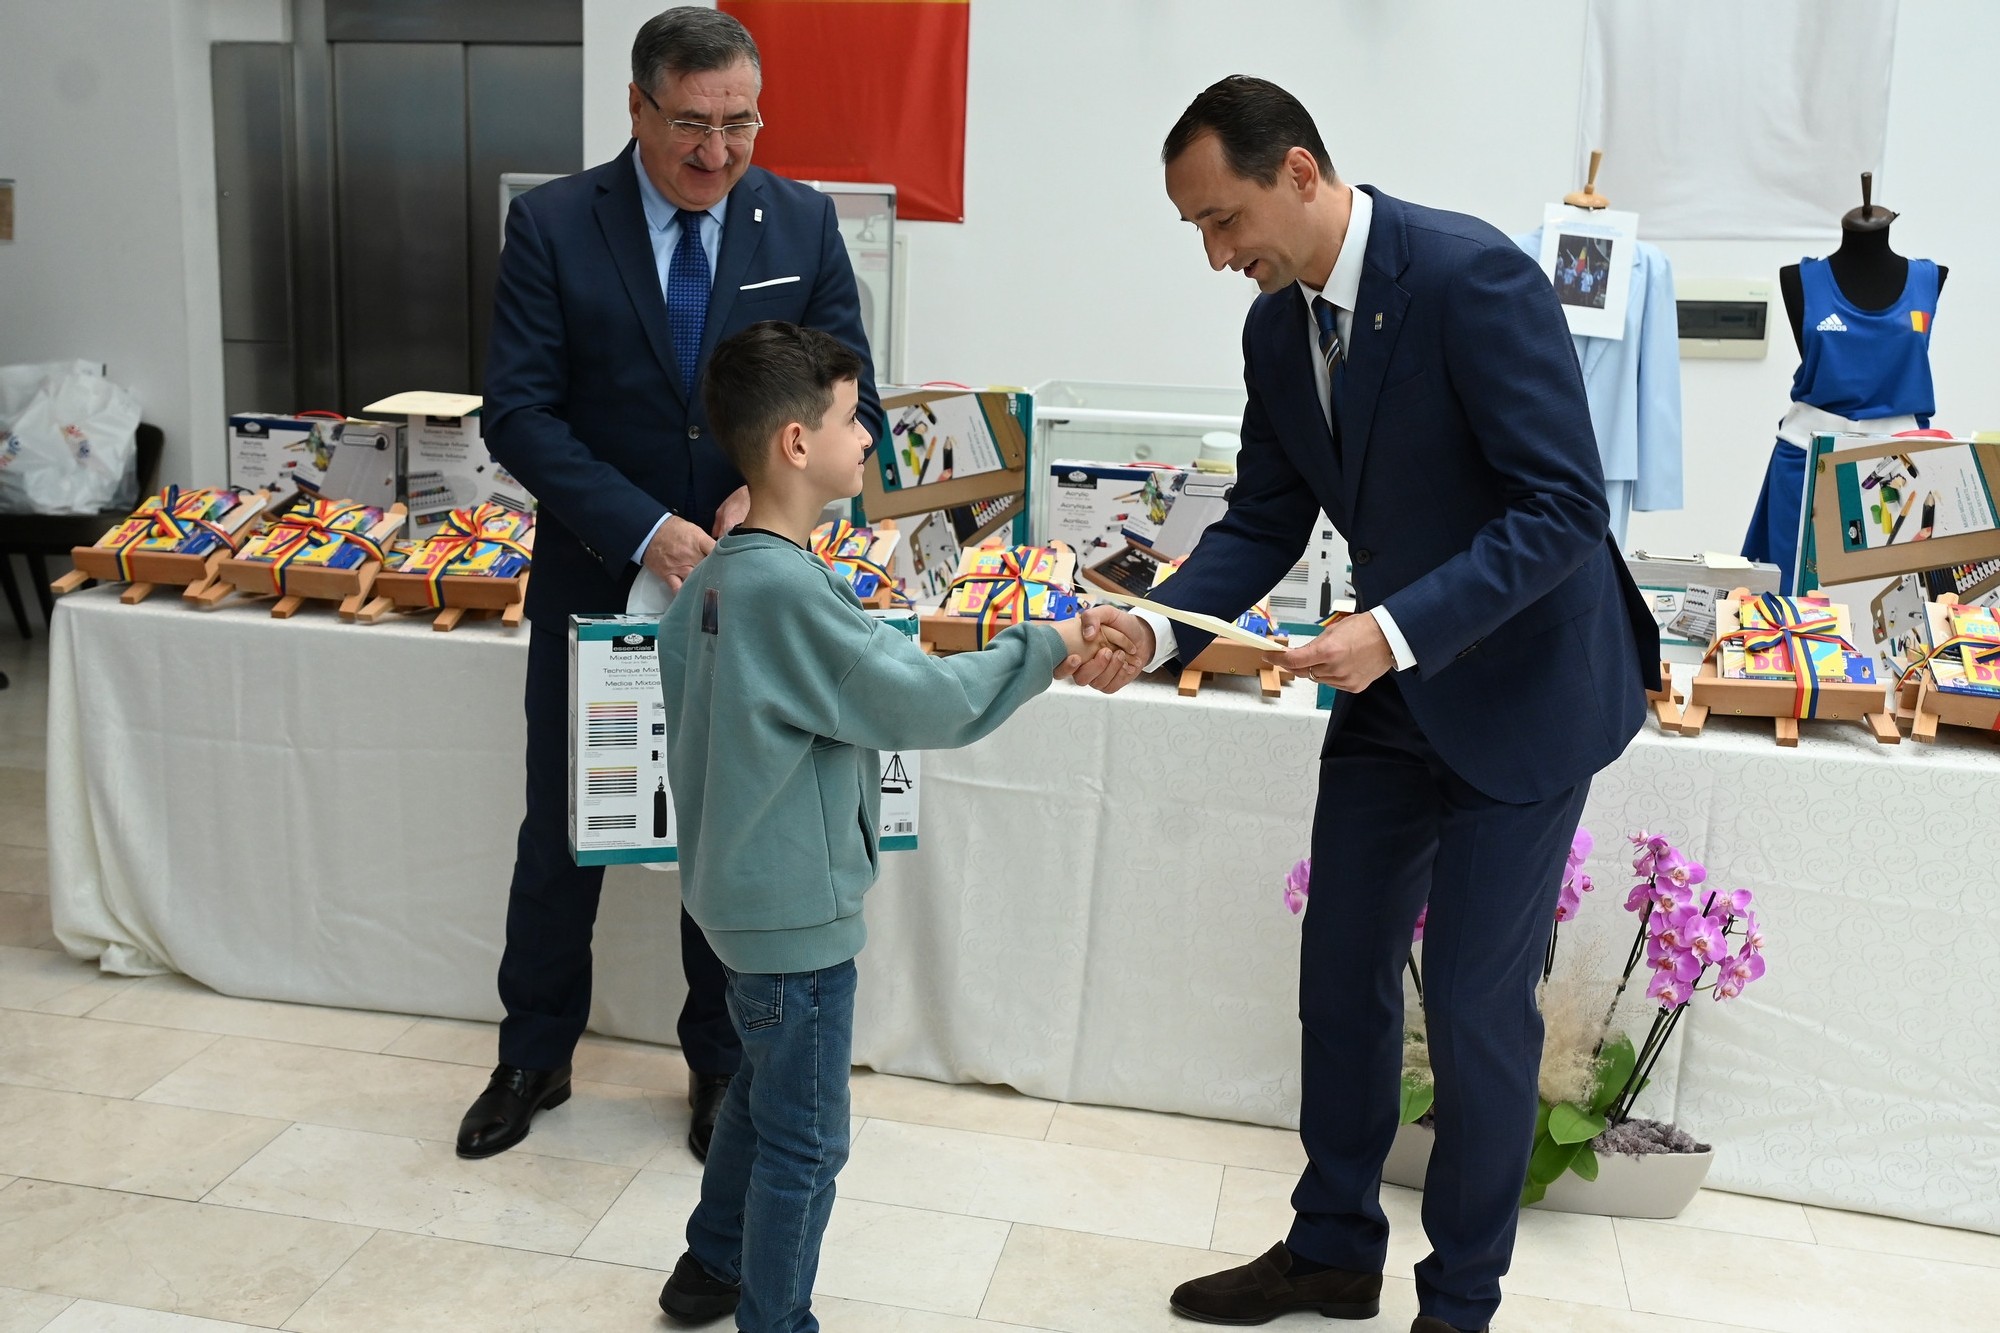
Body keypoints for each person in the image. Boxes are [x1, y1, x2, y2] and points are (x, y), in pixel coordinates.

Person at [1067, 77, 1657, 1333]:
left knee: (1473, 1007)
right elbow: (1262, 520)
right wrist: (1158, 626)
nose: (1216, 256)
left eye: (1223, 220)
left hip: (1523, 691)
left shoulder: (1470, 278)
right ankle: (1331, 1250)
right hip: (1393, 692)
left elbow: (1562, 507)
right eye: (1196, 231)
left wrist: (1389, 631)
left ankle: (1459, 1300)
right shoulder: (1274, 331)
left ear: (1296, 171)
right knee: (1339, 972)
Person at [461, 6, 879, 1164]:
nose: (718, 150)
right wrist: (643, 528)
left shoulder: (799, 219)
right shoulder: (555, 223)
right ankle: (533, 1053)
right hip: (597, 572)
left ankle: (719, 1064)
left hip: (752, 583)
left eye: (741, 123)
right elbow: (519, 411)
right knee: (567, 820)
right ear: (637, 106)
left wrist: (768, 492)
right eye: (693, 124)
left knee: (728, 820)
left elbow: (850, 390)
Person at [651, 321, 1127, 1331]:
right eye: (848, 416)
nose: (868, 434)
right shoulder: (784, 591)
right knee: (806, 1141)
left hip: (736, 902)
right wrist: (1046, 644)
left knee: (759, 1092)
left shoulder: (724, 577)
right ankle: (775, 1319)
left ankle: (708, 1266)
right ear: (795, 443)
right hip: (794, 916)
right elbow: (925, 702)